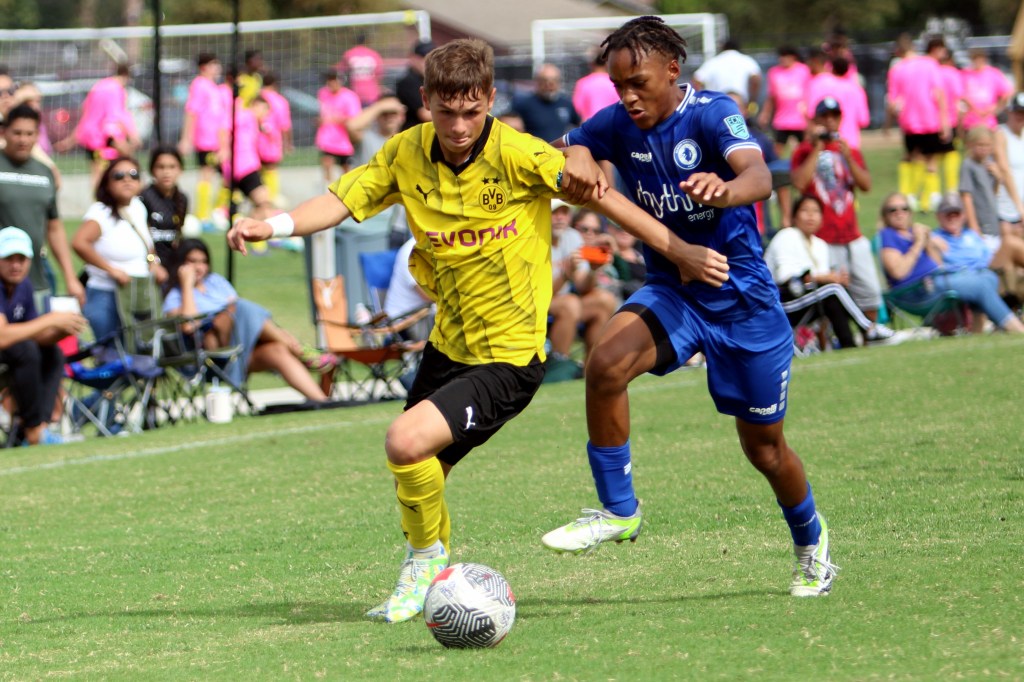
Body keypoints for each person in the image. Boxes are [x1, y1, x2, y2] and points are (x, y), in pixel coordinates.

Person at [227, 37, 728, 622]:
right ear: (425, 102)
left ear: (489, 98)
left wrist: (679, 250)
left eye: (472, 111)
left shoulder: (519, 155)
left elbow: (606, 199)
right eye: (446, 112)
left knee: (404, 442)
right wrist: (272, 225)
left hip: (509, 359)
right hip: (448, 345)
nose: (460, 125)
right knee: (419, 471)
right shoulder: (404, 154)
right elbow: (341, 200)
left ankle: (423, 566)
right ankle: (432, 576)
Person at [541, 16, 837, 599]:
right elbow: (559, 149)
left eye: (638, 82)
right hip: (674, 292)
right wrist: (571, 155)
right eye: (617, 85)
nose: (627, 97)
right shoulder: (616, 124)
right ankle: (619, 510)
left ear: (673, 71)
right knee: (604, 365)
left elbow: (759, 175)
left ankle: (812, 543)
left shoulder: (710, 112)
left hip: (742, 302)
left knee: (766, 450)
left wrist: (725, 190)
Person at [164, 239, 332, 400]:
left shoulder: (216, 282)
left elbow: (244, 316)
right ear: (181, 264)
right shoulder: (175, 295)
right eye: (192, 261)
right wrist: (187, 285)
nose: (198, 267)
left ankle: (322, 402)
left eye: (203, 261)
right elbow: (187, 326)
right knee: (238, 308)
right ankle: (300, 351)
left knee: (277, 350)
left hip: (242, 347)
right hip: (212, 357)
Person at [791, 97, 893, 341]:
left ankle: (871, 336)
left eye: (834, 116)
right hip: (823, 236)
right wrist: (816, 147)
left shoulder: (850, 150)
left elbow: (866, 185)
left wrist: (848, 157)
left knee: (868, 290)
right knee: (829, 296)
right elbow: (799, 183)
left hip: (852, 233)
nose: (829, 121)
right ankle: (830, 343)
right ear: (816, 120)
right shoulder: (804, 151)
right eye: (824, 116)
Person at [877, 192, 1024, 334]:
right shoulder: (888, 236)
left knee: (988, 277)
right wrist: (918, 244)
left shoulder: (913, 233)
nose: (899, 213)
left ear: (910, 212)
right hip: (919, 292)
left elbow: (938, 264)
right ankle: (1016, 328)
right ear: (885, 215)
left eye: (904, 208)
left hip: (936, 281)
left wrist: (927, 242)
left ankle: (978, 333)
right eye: (893, 210)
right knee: (981, 284)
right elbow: (898, 272)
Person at [0, 226, 86, 446]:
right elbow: (2, 337)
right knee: (26, 350)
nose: (16, 265)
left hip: (12, 352)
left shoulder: (24, 286)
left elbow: (35, 333)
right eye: (9, 259)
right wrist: (50, 319)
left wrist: (61, 330)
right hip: (8, 349)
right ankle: (32, 428)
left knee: (52, 352)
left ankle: (40, 426)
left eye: (22, 259)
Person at [764, 194, 882, 349]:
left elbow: (819, 283)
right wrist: (827, 278)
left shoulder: (820, 245)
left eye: (816, 211)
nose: (811, 216)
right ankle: (870, 329)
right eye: (805, 210)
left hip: (809, 300)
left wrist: (834, 279)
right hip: (782, 302)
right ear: (794, 216)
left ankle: (849, 345)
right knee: (833, 289)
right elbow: (787, 280)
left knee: (833, 294)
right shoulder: (786, 236)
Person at [0, 104, 84, 313]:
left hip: (36, 278)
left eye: (29, 133)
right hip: (1, 282)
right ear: (4, 132)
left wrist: (70, 277)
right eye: (17, 133)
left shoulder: (44, 172)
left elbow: (54, 228)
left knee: (38, 341)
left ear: (37, 135)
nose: (23, 139)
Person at [72, 157, 165, 342]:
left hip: (138, 291)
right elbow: (79, 243)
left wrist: (154, 262)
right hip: (107, 293)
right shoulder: (101, 212)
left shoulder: (138, 207)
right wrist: (111, 270)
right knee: (111, 352)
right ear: (107, 183)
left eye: (133, 175)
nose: (127, 179)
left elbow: (146, 242)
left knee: (138, 347)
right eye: (119, 176)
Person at [886, 36, 951, 212]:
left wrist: (890, 122)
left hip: (910, 121)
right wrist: (945, 121)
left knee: (913, 158)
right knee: (931, 161)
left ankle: (911, 194)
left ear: (898, 52)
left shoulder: (896, 69)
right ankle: (930, 197)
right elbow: (939, 94)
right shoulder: (929, 64)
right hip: (931, 119)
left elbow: (892, 102)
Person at [931, 191, 1024, 282]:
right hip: (968, 279)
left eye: (956, 214)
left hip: (988, 273)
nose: (952, 218)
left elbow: (988, 256)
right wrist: (930, 241)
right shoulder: (935, 238)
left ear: (963, 216)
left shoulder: (970, 234)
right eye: (948, 214)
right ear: (938, 216)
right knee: (1009, 243)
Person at [74, 63, 140, 189]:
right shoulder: (116, 89)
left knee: (97, 172)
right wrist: (124, 140)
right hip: (105, 137)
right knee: (119, 170)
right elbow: (113, 117)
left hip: (91, 137)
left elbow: (86, 109)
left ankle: (98, 202)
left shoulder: (99, 85)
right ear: (126, 76)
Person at [179, 53, 225, 224]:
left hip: (217, 139)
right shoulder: (199, 85)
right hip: (205, 139)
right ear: (204, 67)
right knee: (207, 173)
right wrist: (186, 139)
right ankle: (203, 215)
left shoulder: (214, 86)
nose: (217, 68)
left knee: (225, 173)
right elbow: (192, 112)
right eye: (214, 64)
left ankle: (218, 211)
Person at [959, 125, 1024, 241]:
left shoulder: (989, 164)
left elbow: (993, 194)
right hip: (979, 223)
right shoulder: (968, 165)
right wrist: (974, 226)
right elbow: (966, 197)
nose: (984, 148)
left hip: (992, 223)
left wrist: (998, 178)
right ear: (970, 145)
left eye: (987, 145)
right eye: (980, 145)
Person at [220, 95, 275, 220]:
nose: (265, 113)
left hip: (244, 167)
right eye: (264, 109)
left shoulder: (254, 123)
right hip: (244, 167)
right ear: (255, 105)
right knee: (264, 203)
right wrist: (224, 150)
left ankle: (249, 230)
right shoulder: (246, 115)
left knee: (261, 205)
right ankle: (255, 232)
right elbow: (224, 128)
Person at [140, 145, 188, 277]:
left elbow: (177, 235)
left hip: (171, 265)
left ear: (180, 169)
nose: (166, 172)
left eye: (172, 167)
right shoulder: (144, 197)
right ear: (152, 170)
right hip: (148, 266)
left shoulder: (182, 199)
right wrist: (152, 261)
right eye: (161, 167)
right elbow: (141, 237)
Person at [758, 45, 810, 159]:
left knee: (804, 150)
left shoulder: (803, 70)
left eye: (786, 56)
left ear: (793, 57)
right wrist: (765, 114)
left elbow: (809, 93)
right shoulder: (774, 72)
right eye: (781, 56)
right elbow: (771, 97)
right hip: (782, 119)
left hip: (800, 119)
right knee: (777, 150)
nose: (783, 59)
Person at [315, 70, 361, 187]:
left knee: (346, 167)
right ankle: (327, 188)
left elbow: (354, 118)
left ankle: (347, 189)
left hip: (344, 139)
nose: (331, 83)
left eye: (334, 80)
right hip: (327, 137)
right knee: (326, 163)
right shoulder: (323, 93)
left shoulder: (350, 96)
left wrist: (333, 120)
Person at [511, 63, 580, 142]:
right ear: (537, 81)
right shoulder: (524, 104)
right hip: (534, 152)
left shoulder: (566, 104)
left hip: (559, 152)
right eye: (545, 80)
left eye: (554, 80)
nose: (549, 85)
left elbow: (579, 125)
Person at [692, 39, 762, 112]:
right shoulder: (747, 60)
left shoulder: (713, 61)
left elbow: (697, 79)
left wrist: (702, 101)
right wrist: (752, 100)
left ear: (723, 48)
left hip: (717, 104)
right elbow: (756, 79)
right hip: (740, 104)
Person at [259, 72, 293, 205]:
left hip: (254, 140)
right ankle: (271, 198)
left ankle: (259, 198)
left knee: (256, 171)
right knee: (271, 169)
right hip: (272, 141)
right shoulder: (280, 101)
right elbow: (285, 125)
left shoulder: (256, 97)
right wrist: (288, 143)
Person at [961, 48, 1013, 133]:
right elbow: (960, 94)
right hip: (971, 119)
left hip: (989, 119)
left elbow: (1007, 92)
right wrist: (973, 106)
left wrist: (996, 107)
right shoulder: (965, 74)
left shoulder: (993, 73)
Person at [995, 92, 1024, 229]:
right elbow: (1004, 170)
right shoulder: (1001, 134)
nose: (1020, 116)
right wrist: (1019, 206)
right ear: (1009, 111)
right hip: (1008, 205)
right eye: (1017, 112)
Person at [395, 40, 433, 132]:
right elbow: (425, 114)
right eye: (423, 57)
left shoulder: (431, 80)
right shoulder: (408, 82)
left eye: (432, 57)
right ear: (413, 58)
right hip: (414, 135)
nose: (427, 61)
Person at [572, 50, 619, 122]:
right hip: (611, 123)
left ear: (592, 64)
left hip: (590, 125)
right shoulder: (614, 82)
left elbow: (577, 108)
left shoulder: (583, 83)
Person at [338, 34, 384, 107]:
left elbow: (340, 71)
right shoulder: (373, 54)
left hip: (355, 93)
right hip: (372, 93)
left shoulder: (349, 54)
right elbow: (379, 74)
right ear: (367, 42)